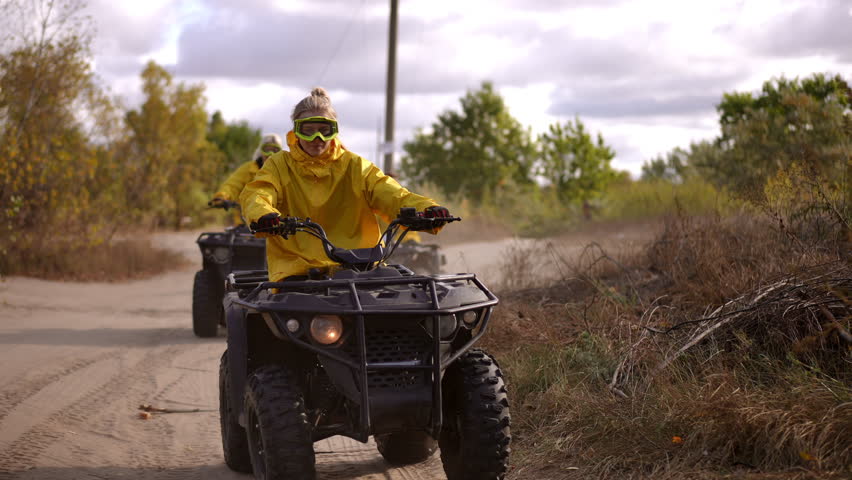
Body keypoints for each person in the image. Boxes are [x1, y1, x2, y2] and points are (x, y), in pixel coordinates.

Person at [240, 87, 451, 282]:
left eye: (325, 129)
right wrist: (262, 215)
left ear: (335, 131)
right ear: (295, 132)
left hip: (362, 268)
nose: (317, 138)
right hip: (299, 271)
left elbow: (391, 193)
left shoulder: (355, 165)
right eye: (308, 130)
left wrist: (427, 210)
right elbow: (258, 192)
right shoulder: (279, 165)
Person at [208, 133, 284, 224]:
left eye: (275, 150)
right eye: (267, 150)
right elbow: (233, 185)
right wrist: (222, 197)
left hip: (277, 225)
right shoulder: (248, 169)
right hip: (245, 223)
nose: (270, 154)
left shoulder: (284, 172)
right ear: (261, 151)